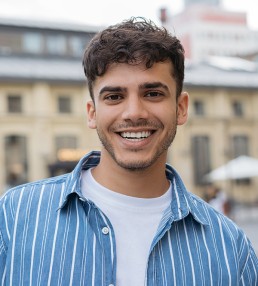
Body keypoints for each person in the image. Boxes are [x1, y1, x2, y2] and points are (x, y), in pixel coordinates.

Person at [0, 17, 257, 286]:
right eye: (114, 97)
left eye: (153, 93)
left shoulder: (230, 247)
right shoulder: (14, 217)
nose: (134, 113)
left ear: (181, 107)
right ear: (92, 113)